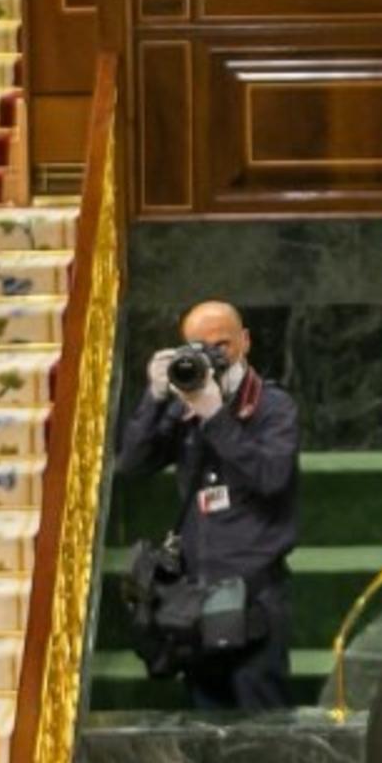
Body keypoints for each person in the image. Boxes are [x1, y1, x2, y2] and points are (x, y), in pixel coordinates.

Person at [115, 300, 299, 710]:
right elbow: (131, 464)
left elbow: (271, 477)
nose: (214, 355)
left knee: (262, 722)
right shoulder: (183, 408)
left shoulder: (272, 407)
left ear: (245, 342)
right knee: (206, 721)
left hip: (255, 593)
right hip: (196, 596)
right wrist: (155, 395)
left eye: (223, 344)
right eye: (201, 347)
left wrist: (216, 415)